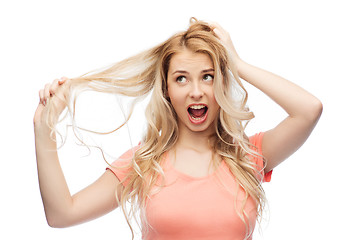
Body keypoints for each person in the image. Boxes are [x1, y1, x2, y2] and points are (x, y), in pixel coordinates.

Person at [34, 18, 322, 239]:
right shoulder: (145, 163)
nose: (196, 91)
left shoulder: (250, 155)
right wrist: (43, 128)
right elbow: (62, 214)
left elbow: (309, 110)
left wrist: (237, 63)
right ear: (167, 90)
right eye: (181, 79)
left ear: (222, 82)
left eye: (208, 76)